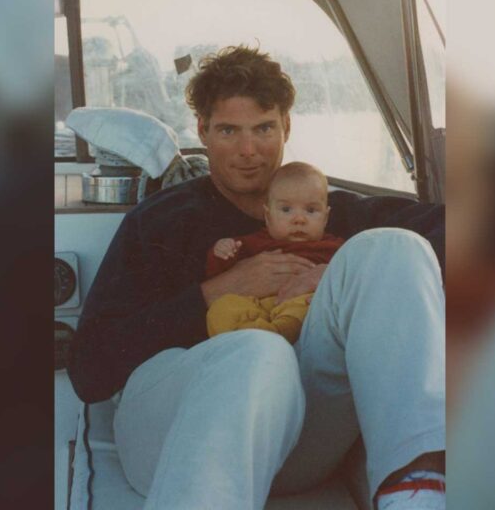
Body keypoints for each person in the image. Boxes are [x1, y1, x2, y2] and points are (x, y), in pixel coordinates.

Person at [68, 45, 445, 509]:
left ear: (286, 126)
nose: (248, 151)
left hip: (298, 442)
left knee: (394, 246)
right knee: (257, 349)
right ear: (202, 131)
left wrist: (332, 273)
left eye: (264, 128)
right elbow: (90, 369)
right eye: (229, 130)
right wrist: (216, 292)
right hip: (170, 439)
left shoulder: (327, 211)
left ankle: (417, 488)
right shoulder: (160, 222)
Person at [206, 161, 345, 343]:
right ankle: (252, 338)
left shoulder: (334, 247)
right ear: (268, 215)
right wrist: (221, 252)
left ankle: (278, 334)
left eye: (311, 210)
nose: (299, 219)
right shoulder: (253, 243)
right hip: (258, 307)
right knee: (222, 307)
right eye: (286, 209)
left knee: (309, 305)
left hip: (300, 305)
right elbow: (220, 273)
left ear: (325, 218)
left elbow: (354, 272)